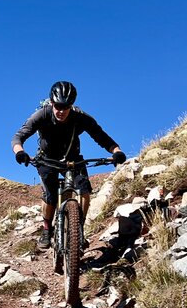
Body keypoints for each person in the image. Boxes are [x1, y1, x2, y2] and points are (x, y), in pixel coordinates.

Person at [11, 81, 126, 249]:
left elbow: (101, 137)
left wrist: (116, 151)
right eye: (58, 106)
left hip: (73, 159)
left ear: (71, 105)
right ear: (51, 103)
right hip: (46, 159)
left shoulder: (81, 118)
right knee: (50, 195)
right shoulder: (41, 115)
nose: (61, 111)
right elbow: (18, 137)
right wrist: (20, 152)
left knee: (84, 190)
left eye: (66, 107)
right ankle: (46, 229)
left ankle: (78, 229)